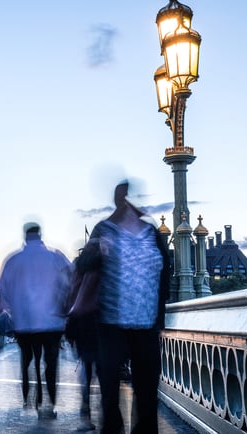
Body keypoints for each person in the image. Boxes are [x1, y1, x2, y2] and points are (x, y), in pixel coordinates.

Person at [76, 180, 171, 434]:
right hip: (111, 325)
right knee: (109, 394)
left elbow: (165, 276)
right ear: (121, 200)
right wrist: (99, 251)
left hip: (146, 326)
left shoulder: (152, 233)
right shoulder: (104, 229)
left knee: (148, 395)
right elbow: (82, 264)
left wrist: (160, 317)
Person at [0, 222, 71, 419]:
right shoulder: (55, 257)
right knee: (50, 361)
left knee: (29, 359)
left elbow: (3, 290)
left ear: (25, 236)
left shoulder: (13, 260)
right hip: (51, 322)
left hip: (25, 323)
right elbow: (71, 279)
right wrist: (63, 304)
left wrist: (13, 310)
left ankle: (31, 396)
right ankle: (49, 401)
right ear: (40, 235)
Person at [65, 253, 99, 432]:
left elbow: (70, 294)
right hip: (100, 321)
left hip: (81, 321)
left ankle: (86, 411)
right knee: (104, 369)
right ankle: (107, 413)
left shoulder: (79, 266)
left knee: (85, 366)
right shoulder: (104, 264)